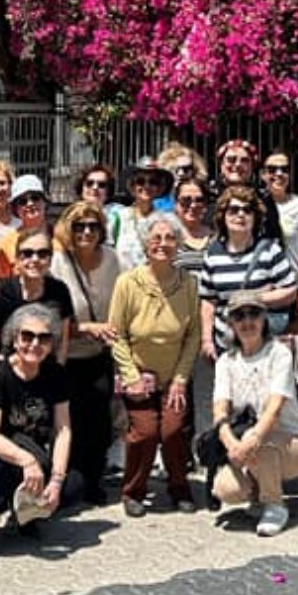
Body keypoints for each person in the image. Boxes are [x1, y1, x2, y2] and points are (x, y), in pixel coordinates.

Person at [0, 304, 82, 564]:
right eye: (26, 336)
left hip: (29, 453)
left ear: (52, 343)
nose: (34, 344)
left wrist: (57, 481)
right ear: (14, 339)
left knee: (72, 485)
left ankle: (24, 516)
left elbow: (63, 430)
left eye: (43, 337)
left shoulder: (56, 375)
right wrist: (27, 461)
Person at [108, 213, 202, 516]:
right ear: (145, 243)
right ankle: (133, 490)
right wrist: (131, 376)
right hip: (138, 375)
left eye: (170, 238)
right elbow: (116, 333)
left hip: (173, 376)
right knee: (145, 432)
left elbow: (193, 335)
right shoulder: (127, 283)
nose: (163, 244)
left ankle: (179, 488)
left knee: (174, 431)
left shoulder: (188, 284)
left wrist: (180, 379)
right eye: (156, 238)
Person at [209, 289, 298, 536]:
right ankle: (259, 495)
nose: (247, 322)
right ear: (231, 324)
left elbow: (274, 409)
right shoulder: (226, 361)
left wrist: (251, 441)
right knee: (226, 489)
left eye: (254, 314)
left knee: (262, 442)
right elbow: (219, 408)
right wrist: (230, 443)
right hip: (246, 443)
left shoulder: (278, 353)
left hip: (293, 442)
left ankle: (275, 505)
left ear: (264, 319)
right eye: (239, 316)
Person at [51, 200, 122, 503]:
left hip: (101, 355)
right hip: (67, 356)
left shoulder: (112, 259)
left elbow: (124, 302)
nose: (86, 232)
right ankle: (68, 478)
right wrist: (88, 328)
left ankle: (93, 479)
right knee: (71, 421)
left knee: (100, 421)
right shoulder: (58, 263)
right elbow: (53, 317)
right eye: (79, 226)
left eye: (93, 226)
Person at [198, 184, 298, 355]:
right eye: (234, 210)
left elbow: (290, 292)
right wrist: (207, 340)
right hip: (226, 346)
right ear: (223, 216)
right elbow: (208, 301)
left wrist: (253, 298)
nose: (241, 215)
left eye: (247, 210)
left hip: (265, 346)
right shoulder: (213, 254)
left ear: (255, 217)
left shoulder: (270, 251)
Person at [0, 230, 75, 367]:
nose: (35, 259)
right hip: (9, 371)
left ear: (50, 259)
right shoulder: (0, 291)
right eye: (27, 254)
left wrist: (57, 374)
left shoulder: (60, 291)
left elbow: (61, 345)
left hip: (47, 375)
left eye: (42, 254)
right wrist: (1, 369)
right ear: (17, 259)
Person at [260, 149, 298, 269]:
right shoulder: (256, 205)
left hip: (294, 279)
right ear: (263, 174)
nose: (279, 174)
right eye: (272, 169)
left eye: (284, 169)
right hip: (264, 280)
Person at [115, 158, 173, 268]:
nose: (146, 186)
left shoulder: (167, 221)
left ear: (159, 188)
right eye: (140, 181)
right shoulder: (119, 217)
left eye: (153, 182)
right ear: (132, 186)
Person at [0, 174, 53, 278]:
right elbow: (2, 283)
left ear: (45, 201)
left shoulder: (61, 236)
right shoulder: (7, 244)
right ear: (16, 209)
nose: (30, 204)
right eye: (22, 201)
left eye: (35, 198)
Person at [171, 176, 217, 274]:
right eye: (186, 200)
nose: (193, 205)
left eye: (199, 200)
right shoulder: (167, 238)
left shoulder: (217, 239)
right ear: (175, 203)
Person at [77, 163, 124, 247]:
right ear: (81, 188)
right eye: (89, 183)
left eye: (102, 185)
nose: (95, 187)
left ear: (108, 191)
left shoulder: (120, 213)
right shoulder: (71, 214)